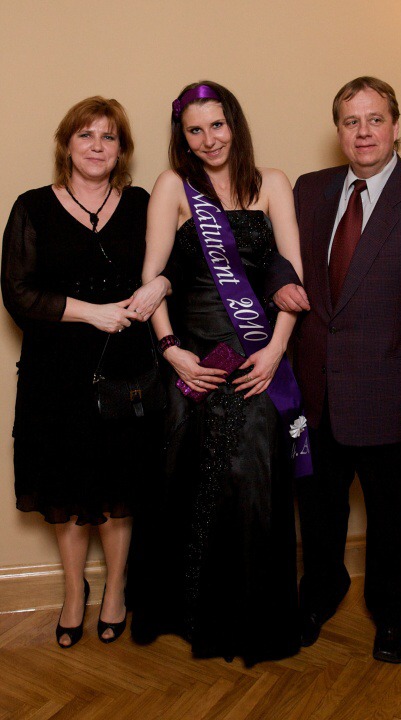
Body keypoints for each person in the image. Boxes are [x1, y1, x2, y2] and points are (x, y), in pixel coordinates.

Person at [275, 76, 401, 663]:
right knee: (317, 510)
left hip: (392, 397)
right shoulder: (309, 189)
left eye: (375, 119)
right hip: (314, 393)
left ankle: (391, 612)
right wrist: (280, 282)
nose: (363, 132)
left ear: (395, 124)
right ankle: (320, 592)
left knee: (390, 517)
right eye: (351, 121)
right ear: (339, 130)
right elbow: (278, 259)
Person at [128, 81, 304, 666]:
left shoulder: (272, 183)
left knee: (253, 485)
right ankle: (190, 615)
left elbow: (292, 277)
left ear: (236, 125)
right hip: (195, 362)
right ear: (183, 137)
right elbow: (153, 280)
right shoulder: (172, 186)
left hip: (257, 359)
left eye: (218, 125)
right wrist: (171, 350)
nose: (209, 140)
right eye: (195, 130)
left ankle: (250, 621)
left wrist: (276, 350)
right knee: (188, 484)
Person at [1, 96, 168, 648]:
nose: (97, 146)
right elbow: (17, 292)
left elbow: (177, 263)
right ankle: (75, 593)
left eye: (109, 136)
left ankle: (116, 589)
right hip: (55, 374)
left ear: (122, 149)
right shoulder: (32, 206)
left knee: (120, 488)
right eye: (86, 135)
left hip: (127, 371)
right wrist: (92, 312)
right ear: (67, 145)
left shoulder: (142, 203)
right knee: (67, 491)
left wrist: (161, 284)